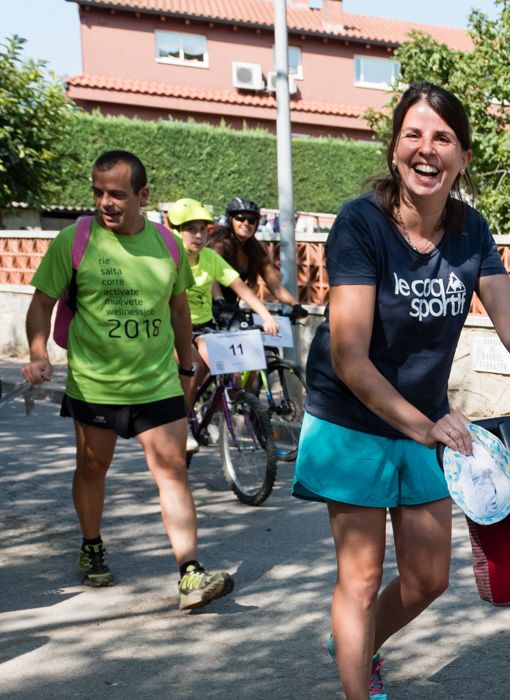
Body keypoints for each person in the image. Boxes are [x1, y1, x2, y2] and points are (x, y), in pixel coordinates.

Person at [294, 82, 510, 700]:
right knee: (360, 579)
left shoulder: (469, 231)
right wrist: (425, 426)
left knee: (426, 579)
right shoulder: (360, 226)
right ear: (395, 146)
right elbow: (350, 356)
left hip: (424, 421)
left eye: (442, 139)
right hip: (353, 420)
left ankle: (363, 648)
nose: (426, 150)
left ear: (462, 156)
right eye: (414, 135)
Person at [20, 151, 236, 611]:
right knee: (92, 468)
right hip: (94, 383)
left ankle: (190, 572)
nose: (105, 203)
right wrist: (39, 352)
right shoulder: (73, 241)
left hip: (155, 383)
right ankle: (92, 543)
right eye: (98, 192)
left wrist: (185, 362)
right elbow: (41, 304)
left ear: (142, 196)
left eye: (116, 194)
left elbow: (179, 308)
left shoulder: (168, 246)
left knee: (172, 472)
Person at [164, 198, 279, 452]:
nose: (198, 235)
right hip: (173, 329)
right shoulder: (168, 258)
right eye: (190, 229)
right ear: (176, 231)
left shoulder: (209, 258)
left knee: (234, 375)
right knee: (193, 366)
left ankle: (207, 413)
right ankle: (183, 421)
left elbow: (241, 287)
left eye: (203, 229)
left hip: (204, 327)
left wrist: (265, 315)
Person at [208, 196, 300, 307]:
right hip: (207, 305)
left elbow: (275, 286)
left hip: (230, 308)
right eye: (240, 218)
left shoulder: (254, 248)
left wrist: (295, 305)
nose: (246, 223)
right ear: (230, 220)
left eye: (252, 220)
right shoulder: (220, 244)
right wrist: (219, 299)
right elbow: (211, 276)